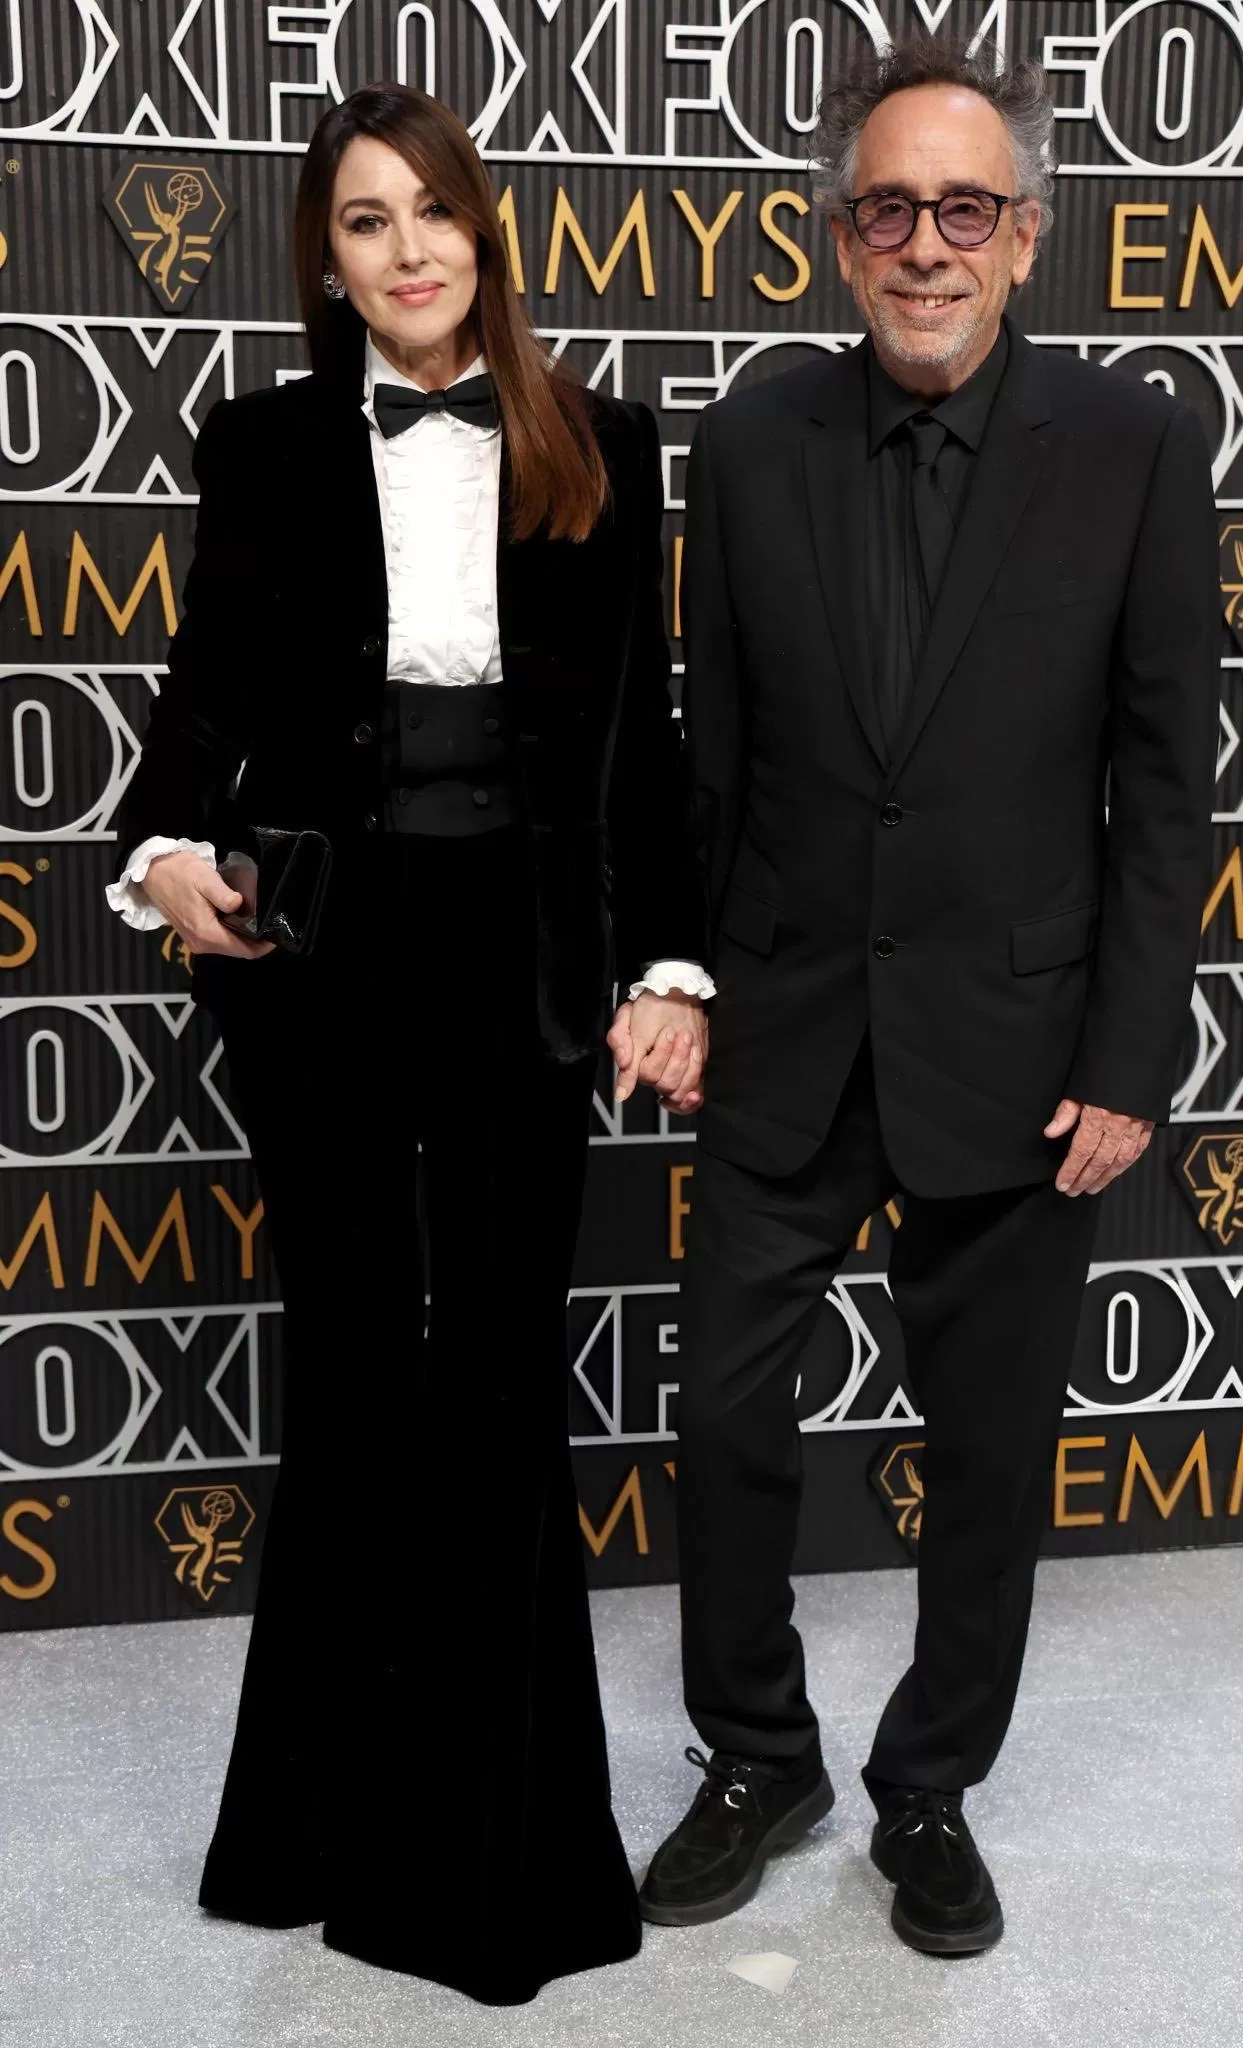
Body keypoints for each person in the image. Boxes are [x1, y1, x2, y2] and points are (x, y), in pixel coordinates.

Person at [107, 82, 710, 2006]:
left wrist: (669, 966)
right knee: (359, 1369)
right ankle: (309, 1834)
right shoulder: (263, 441)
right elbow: (203, 697)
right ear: (327, 258)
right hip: (325, 954)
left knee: (506, 1378)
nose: (406, 247)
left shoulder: (601, 440)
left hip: (525, 956)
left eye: (432, 209)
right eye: (365, 220)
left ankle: (505, 1864)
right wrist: (161, 850)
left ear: (483, 231)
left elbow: (639, 741)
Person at [635, 35, 1218, 1956]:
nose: (924, 244)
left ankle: (929, 1787)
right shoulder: (750, 440)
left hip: (1022, 1052)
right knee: (724, 1417)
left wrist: (1129, 1054)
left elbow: (1163, 787)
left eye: (964, 208)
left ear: (1025, 235)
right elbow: (710, 762)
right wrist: (687, 975)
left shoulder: (1132, 446)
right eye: (886, 208)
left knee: (982, 1463)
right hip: (786, 1033)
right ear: (838, 236)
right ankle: (758, 1757)